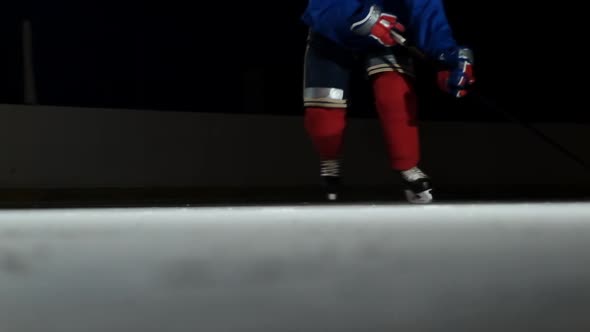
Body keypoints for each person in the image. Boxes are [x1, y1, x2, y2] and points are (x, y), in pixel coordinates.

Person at [301, 0, 475, 203]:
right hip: (334, 32)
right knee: (324, 115)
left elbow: (427, 11)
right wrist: (359, 18)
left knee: (395, 95)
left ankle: (407, 166)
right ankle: (329, 160)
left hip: (387, 31)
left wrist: (447, 57)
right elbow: (321, 6)